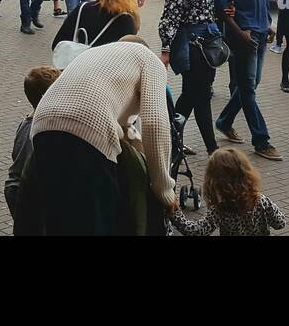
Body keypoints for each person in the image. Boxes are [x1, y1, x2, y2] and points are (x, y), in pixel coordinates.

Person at [19, 39, 174, 235]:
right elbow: (155, 124)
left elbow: (124, 128)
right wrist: (165, 190)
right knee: (97, 221)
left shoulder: (105, 56)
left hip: (42, 123)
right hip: (89, 130)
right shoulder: (153, 63)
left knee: (58, 217)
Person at [213, 0, 281, 161]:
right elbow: (220, 4)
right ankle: (261, 139)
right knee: (248, 89)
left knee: (251, 83)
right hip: (243, 34)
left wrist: (268, 23)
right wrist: (238, 32)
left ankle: (224, 120)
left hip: (261, 30)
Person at [158, 0, 221, 154]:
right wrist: (165, 50)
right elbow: (170, 19)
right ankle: (212, 149)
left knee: (190, 96)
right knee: (201, 96)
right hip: (192, 46)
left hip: (209, 44)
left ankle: (170, 139)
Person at [167, 147, 286, 236]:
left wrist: (175, 213)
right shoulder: (260, 201)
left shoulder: (220, 209)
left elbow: (197, 231)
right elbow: (280, 223)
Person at [6, 65, 61, 225]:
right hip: (25, 192)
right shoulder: (38, 131)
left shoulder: (30, 122)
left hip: (21, 189)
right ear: (48, 96)